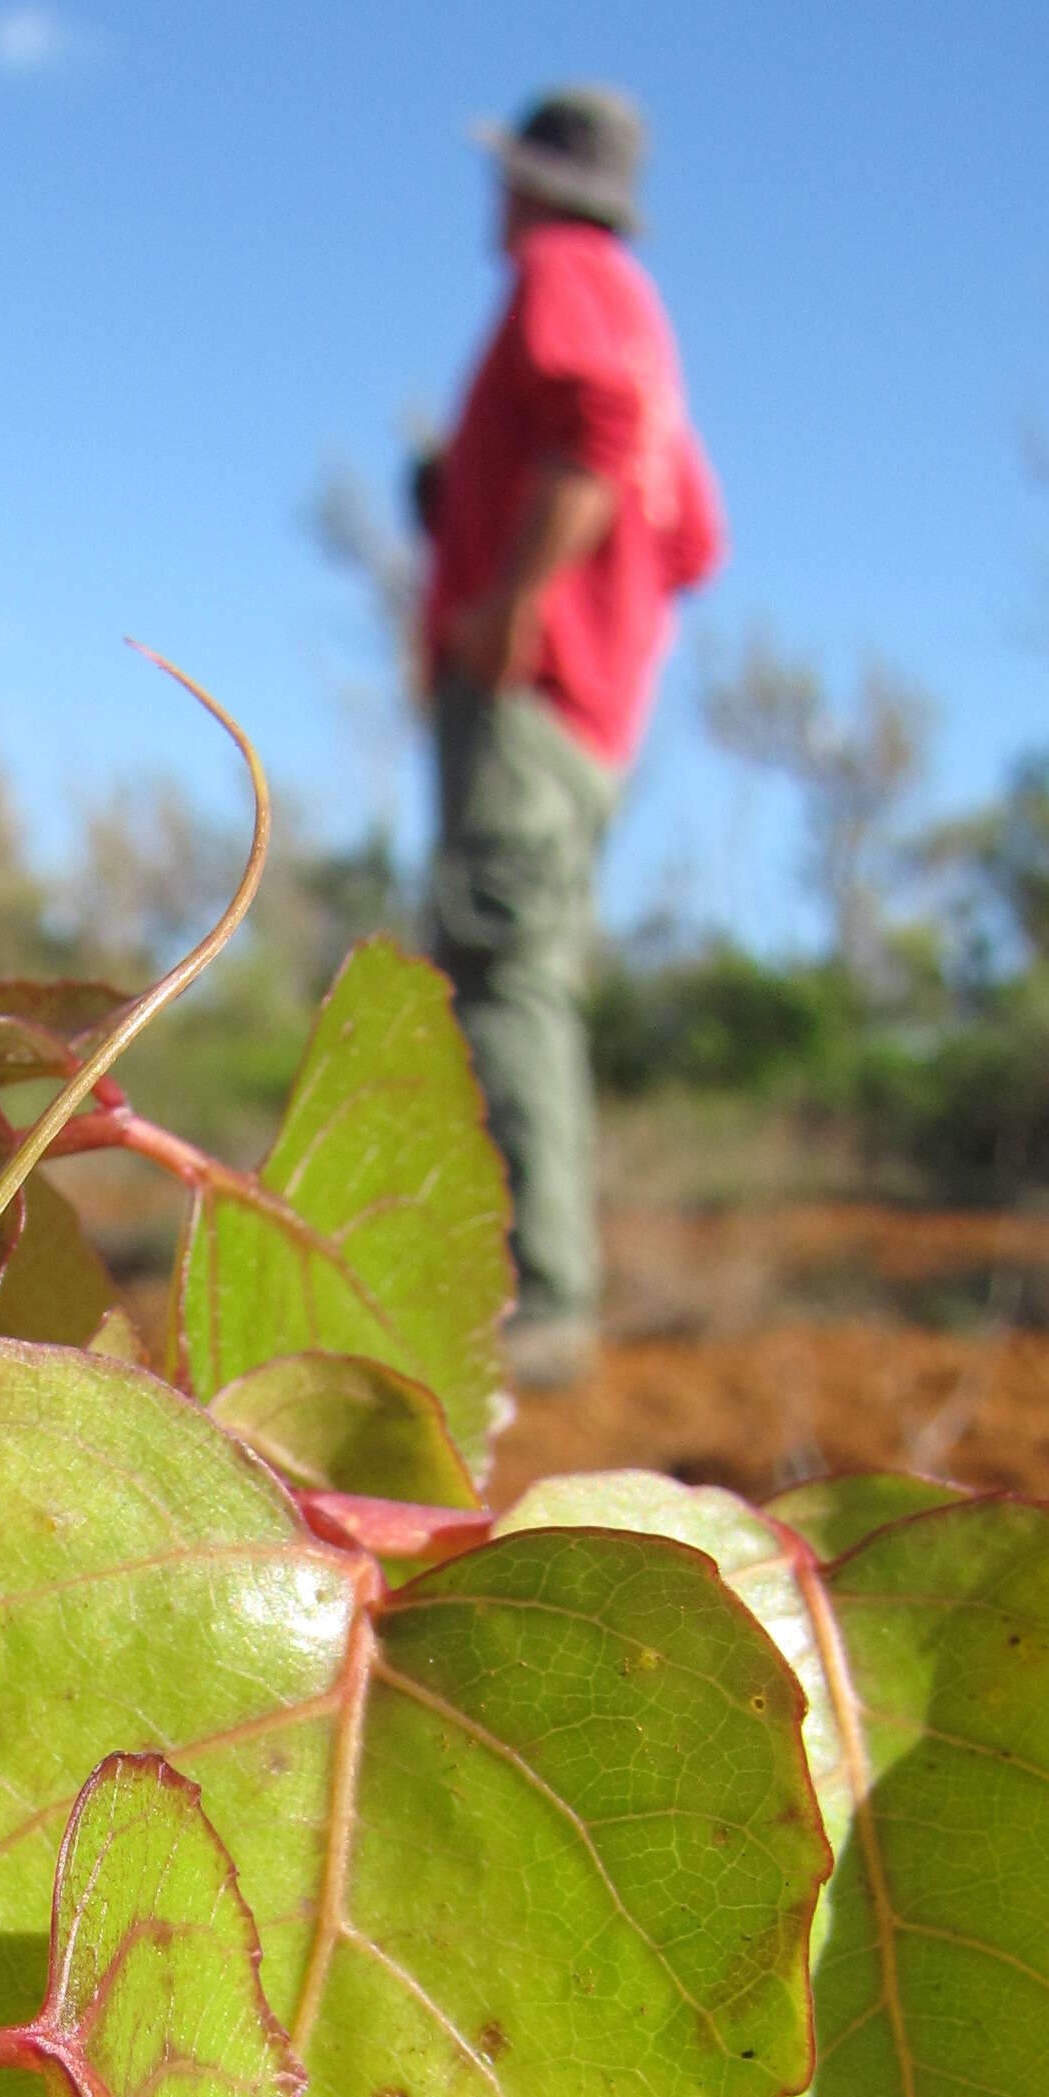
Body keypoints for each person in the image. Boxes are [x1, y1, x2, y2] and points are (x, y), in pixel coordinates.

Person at [421, 84, 724, 1381]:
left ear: (541, 186)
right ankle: (531, 1284)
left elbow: (598, 429)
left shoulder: (569, 271)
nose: (497, 202)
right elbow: (696, 539)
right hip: (596, 718)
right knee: (522, 967)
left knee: (503, 973)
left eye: (507, 178)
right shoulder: (649, 327)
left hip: (533, 699)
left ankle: (539, 1303)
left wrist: (517, 598)